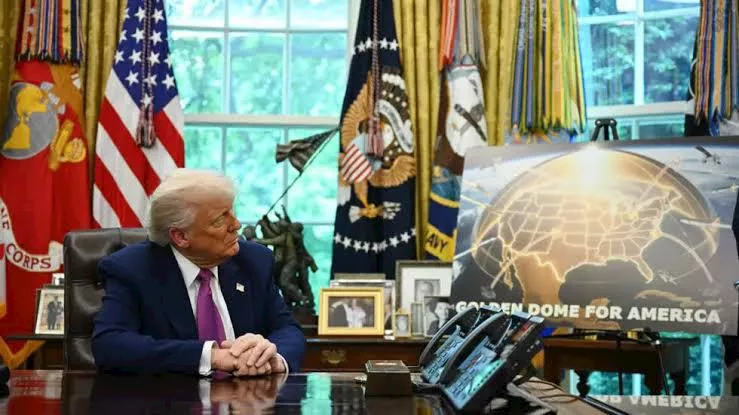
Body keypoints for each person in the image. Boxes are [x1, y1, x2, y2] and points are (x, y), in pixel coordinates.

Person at [92, 169, 305, 376]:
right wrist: (212, 357)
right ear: (181, 236)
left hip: (247, 396)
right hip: (170, 396)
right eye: (220, 219)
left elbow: (288, 329)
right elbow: (109, 344)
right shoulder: (132, 269)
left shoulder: (254, 261)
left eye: (232, 212)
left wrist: (272, 357)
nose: (236, 225)